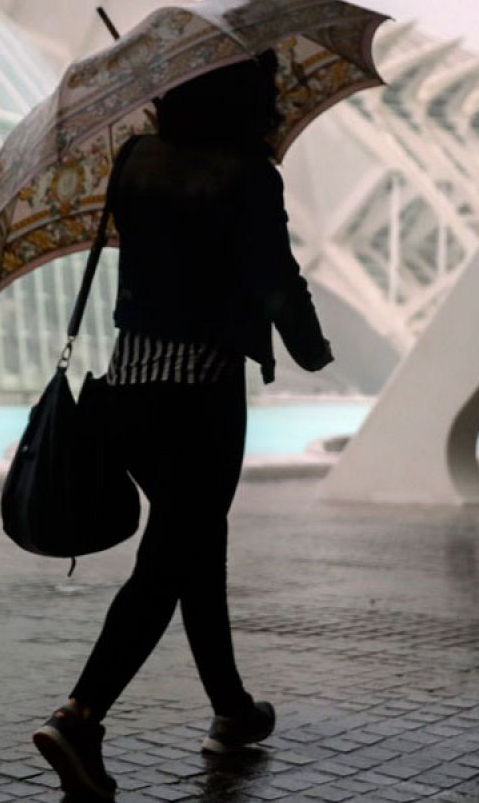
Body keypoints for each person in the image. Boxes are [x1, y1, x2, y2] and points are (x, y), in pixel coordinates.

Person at [31, 52, 333, 800]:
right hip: (200, 391)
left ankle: (231, 707)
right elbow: (274, 278)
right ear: (246, 102)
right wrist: (312, 348)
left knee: (195, 543)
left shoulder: (134, 159)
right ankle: (80, 716)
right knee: (170, 560)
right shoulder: (249, 174)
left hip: (129, 385)